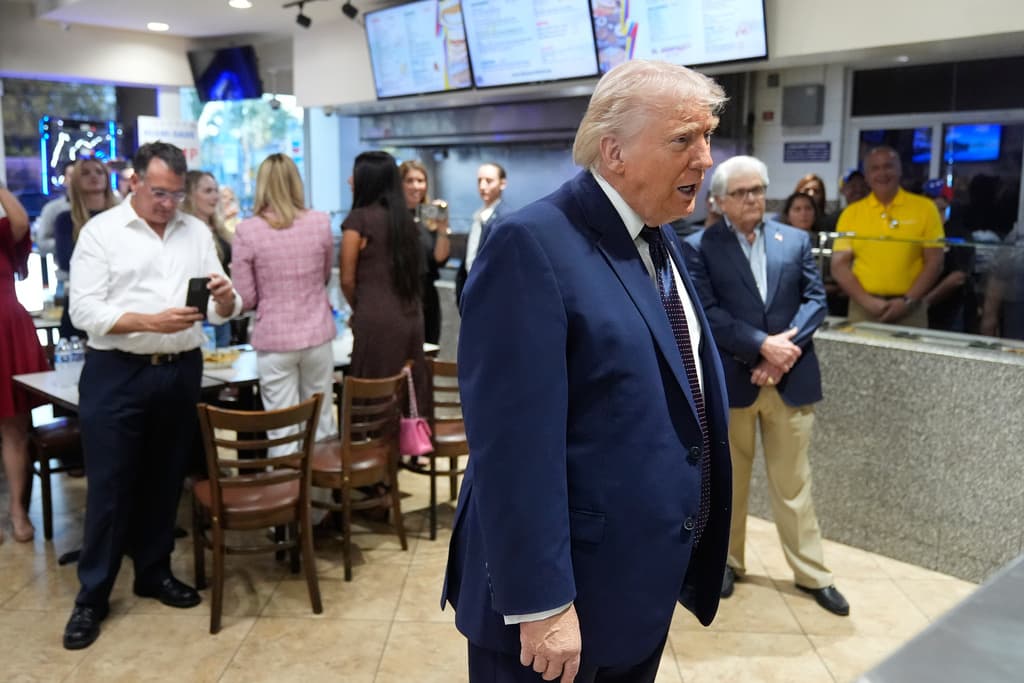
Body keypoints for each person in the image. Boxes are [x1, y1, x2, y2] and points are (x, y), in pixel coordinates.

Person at [444, 59, 733, 682]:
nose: (705, 158)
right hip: (554, 612)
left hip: (632, 591)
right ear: (614, 152)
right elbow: (512, 449)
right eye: (683, 139)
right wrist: (542, 604)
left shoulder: (659, 235)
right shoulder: (531, 244)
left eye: (708, 136)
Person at [63, 142, 242, 651]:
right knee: (110, 486)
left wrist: (227, 299)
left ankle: (154, 571)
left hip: (180, 369)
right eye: (159, 193)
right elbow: (84, 312)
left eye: (176, 194)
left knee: (166, 478)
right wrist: (149, 322)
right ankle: (92, 596)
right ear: (135, 181)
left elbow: (221, 307)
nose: (168, 204)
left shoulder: (196, 231)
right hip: (117, 372)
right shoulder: (102, 233)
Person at [683, 155, 850, 618]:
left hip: (789, 379)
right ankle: (727, 563)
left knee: (795, 484)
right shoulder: (698, 247)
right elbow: (708, 314)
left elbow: (816, 301)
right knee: (730, 484)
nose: (753, 199)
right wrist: (760, 347)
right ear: (719, 201)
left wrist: (780, 354)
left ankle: (813, 574)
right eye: (741, 193)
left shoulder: (793, 240)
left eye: (758, 189)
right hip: (735, 382)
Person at [231, 154, 337, 450]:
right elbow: (324, 276)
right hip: (317, 334)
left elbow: (247, 297)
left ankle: (288, 479)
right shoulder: (320, 222)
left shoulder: (247, 231)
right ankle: (321, 479)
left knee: (283, 430)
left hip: (274, 340)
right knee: (321, 421)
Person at [340, 151, 431, 422]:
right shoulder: (406, 221)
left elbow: (347, 279)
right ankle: (407, 441)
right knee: (407, 388)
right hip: (411, 316)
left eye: (354, 175)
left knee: (373, 392)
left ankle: (375, 444)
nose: (349, 180)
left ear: (367, 179)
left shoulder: (358, 220)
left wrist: (360, 307)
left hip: (375, 319)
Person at [831, 146, 944, 327]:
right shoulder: (850, 214)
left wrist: (907, 302)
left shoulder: (926, 209)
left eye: (888, 166)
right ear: (867, 176)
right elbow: (839, 266)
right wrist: (869, 302)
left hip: (911, 309)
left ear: (899, 170)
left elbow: (935, 262)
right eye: (875, 168)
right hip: (863, 308)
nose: (882, 173)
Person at [0, 184, 50, 544]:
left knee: (15, 429)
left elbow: (19, 221)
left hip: (7, 331)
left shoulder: (3, 234)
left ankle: (18, 509)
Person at [54, 157, 119, 339]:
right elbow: (66, 260)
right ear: (76, 180)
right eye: (85, 173)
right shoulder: (65, 220)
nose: (93, 176)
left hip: (119, 300)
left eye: (99, 172)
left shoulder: (123, 217)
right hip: (82, 300)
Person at [400, 159, 451, 345]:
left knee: (429, 352)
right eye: (410, 181)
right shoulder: (393, 218)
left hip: (427, 298)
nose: (416, 186)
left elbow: (439, 259)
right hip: (401, 296)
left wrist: (443, 228)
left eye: (420, 181)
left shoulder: (430, 218)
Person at [181, 170, 234, 347]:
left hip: (221, 309)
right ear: (190, 195)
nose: (215, 197)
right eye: (207, 191)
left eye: (215, 190)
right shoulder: (185, 233)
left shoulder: (219, 229)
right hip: (199, 314)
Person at [921, 179, 976, 332]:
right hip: (918, 306)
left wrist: (925, 302)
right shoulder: (919, 231)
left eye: (940, 209)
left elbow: (958, 277)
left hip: (951, 310)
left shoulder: (959, 233)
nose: (935, 214)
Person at [455, 162, 509, 305]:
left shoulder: (505, 219)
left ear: (502, 183)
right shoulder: (479, 215)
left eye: (489, 181)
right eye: (479, 181)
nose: (482, 186)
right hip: (472, 291)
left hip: (490, 295)